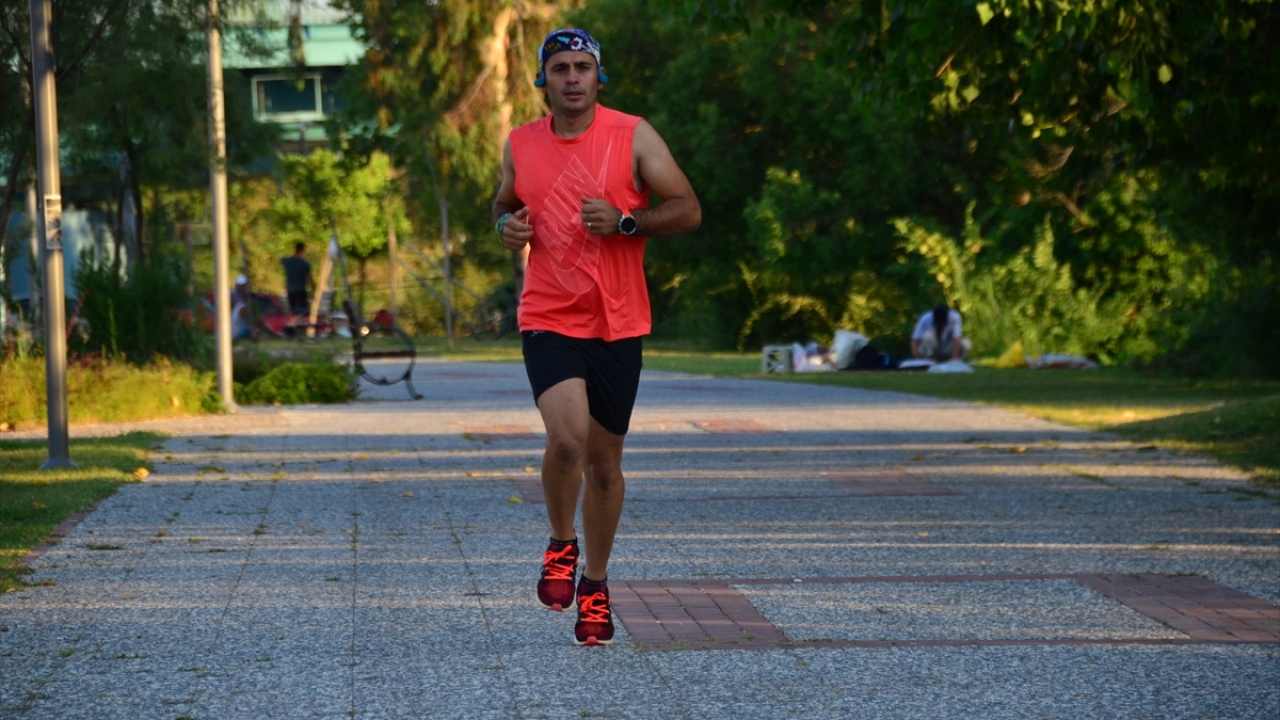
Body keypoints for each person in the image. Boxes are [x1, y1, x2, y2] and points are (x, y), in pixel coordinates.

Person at [492, 28, 701, 646]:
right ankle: (561, 545)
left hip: (618, 320)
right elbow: (501, 206)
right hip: (548, 316)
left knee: (605, 466)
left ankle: (596, 584)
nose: (572, 78)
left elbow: (687, 209)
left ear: (598, 76)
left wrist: (627, 221)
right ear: (543, 79)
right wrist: (505, 228)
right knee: (568, 440)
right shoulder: (521, 143)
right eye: (560, 68)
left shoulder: (633, 135)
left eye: (583, 67)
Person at [280, 242, 314, 316]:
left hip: (290, 291)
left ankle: (294, 322)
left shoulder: (288, 261)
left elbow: (281, 259)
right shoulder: (304, 264)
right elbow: (309, 279)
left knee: (294, 312)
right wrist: (313, 290)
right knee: (303, 312)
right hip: (301, 291)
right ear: (302, 251)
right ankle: (302, 323)